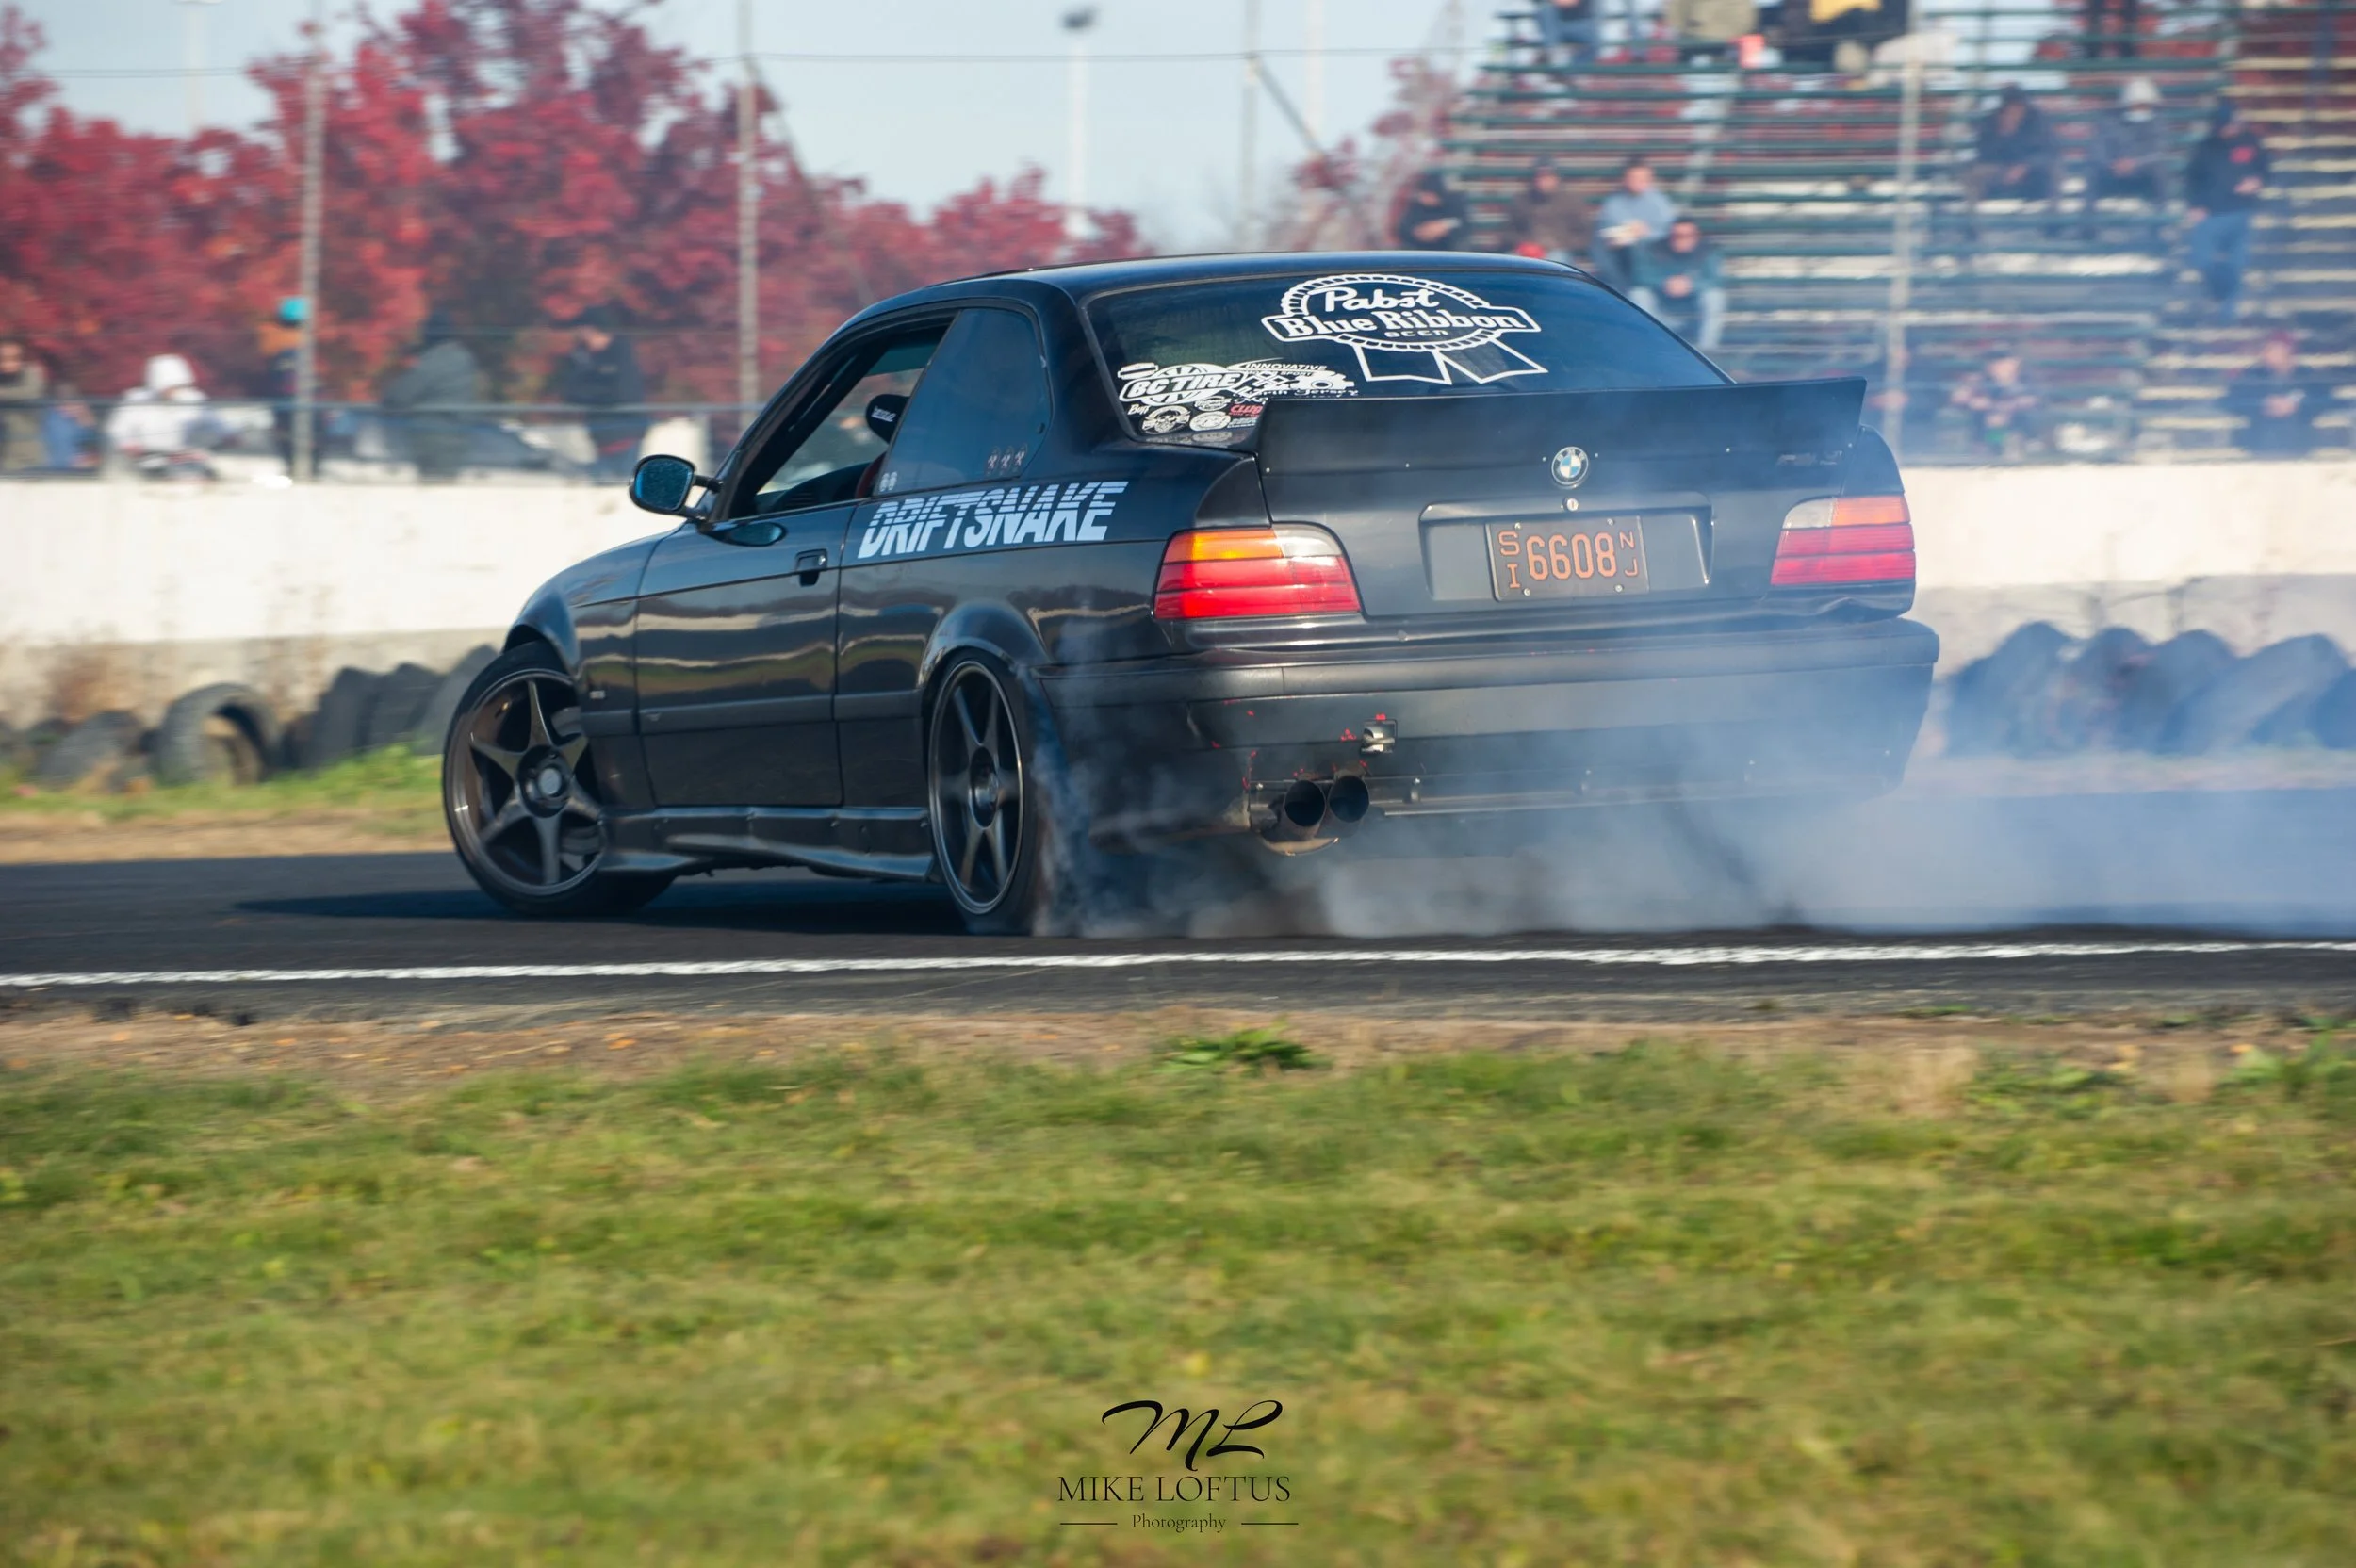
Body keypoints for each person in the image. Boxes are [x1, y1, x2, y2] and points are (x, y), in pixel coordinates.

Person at [2184, 101, 2270, 321]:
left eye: (2232, 124)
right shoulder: (2205, 147)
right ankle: (2218, 293)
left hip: (2241, 212)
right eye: (2225, 125)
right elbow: (2192, 179)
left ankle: (2228, 311)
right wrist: (2195, 205)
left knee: (2237, 263)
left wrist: (2257, 181)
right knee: (2201, 259)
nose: (2230, 129)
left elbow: (2264, 169)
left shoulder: (2251, 142)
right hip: (2210, 215)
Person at [382, 310, 483, 482]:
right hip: (459, 436)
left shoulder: (434, 360)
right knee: (445, 486)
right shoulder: (465, 359)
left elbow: (398, 397)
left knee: (434, 488)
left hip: (434, 438)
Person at [553, 307, 648, 480]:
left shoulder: (621, 355)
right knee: (602, 481)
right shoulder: (581, 357)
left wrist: (591, 393)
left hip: (624, 432)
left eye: (582, 329)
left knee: (622, 482)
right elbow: (570, 392)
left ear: (592, 330)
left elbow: (622, 393)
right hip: (600, 432)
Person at [1965, 85, 2059, 231]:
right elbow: (1984, 154)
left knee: (2055, 171)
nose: (2016, 111)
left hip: (2033, 172)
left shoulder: (2037, 119)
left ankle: (2054, 223)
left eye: (2019, 107)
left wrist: (2025, 166)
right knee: (1974, 174)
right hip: (2000, 170)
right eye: (2011, 107)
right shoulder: (1992, 121)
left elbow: (2049, 151)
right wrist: (2004, 133)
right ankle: (1972, 225)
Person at [105, 353, 216, 477]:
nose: (175, 391)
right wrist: (128, 445)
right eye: (170, 386)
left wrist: (225, 436)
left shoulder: (193, 399)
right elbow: (118, 429)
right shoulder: (136, 399)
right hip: (147, 459)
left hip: (186, 457)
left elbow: (214, 424)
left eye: (178, 386)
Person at [1629, 217, 1727, 351]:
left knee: (1714, 296)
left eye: (1688, 235)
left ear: (1696, 236)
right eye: (1677, 236)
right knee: (1638, 294)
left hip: (1693, 306)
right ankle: (1649, 346)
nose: (1682, 240)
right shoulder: (1654, 248)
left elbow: (1715, 280)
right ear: (1669, 236)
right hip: (1660, 307)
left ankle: (1707, 349)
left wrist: (1691, 285)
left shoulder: (1708, 251)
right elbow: (1640, 276)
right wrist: (1665, 283)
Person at [2225, 332, 2317, 458]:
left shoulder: (2307, 374)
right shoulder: (2251, 374)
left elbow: (2325, 400)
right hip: (2258, 441)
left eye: (2277, 351)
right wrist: (2263, 404)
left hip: (2300, 440)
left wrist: (2297, 406)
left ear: (2289, 352)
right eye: (2268, 350)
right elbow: (2231, 401)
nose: (2270, 355)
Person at [1595, 156, 1678, 292]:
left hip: (1655, 259)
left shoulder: (1660, 202)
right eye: (1635, 178)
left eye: (1644, 178)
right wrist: (1630, 233)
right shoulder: (1613, 204)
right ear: (1625, 179)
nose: (1640, 182)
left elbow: (1669, 231)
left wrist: (1646, 233)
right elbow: (1608, 235)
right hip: (1622, 259)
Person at [1946, 347, 2043, 459]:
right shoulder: (1979, 380)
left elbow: (2036, 399)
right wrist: (1972, 401)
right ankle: (1993, 449)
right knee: (1993, 420)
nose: (1998, 365)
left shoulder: (2027, 379)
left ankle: (2027, 445)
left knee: (2010, 418)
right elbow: (1958, 397)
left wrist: (2012, 405)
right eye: (1994, 362)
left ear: (2015, 362)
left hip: (2019, 417)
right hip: (1987, 419)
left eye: (2003, 361)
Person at [1503, 163, 1594, 264]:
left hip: (1558, 250)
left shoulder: (1571, 201)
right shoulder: (1521, 201)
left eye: (1548, 177)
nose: (1543, 182)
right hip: (1527, 249)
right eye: (1540, 177)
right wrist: (1525, 244)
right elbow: (1508, 232)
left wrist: (1560, 244)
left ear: (1556, 179)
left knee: (1555, 261)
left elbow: (1584, 234)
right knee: (1509, 262)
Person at [1394, 170, 1471, 251]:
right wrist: (1418, 232)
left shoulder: (1454, 203)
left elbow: (1463, 223)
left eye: (1430, 195)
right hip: (1420, 248)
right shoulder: (1417, 206)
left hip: (1448, 248)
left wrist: (1445, 226)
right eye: (1424, 195)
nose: (1426, 198)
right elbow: (1403, 227)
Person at [0, 337, 46, 473]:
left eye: (14, 358)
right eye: (3, 358)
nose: (8, 363)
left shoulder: (32, 372)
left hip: (25, 450)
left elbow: (31, 392)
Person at [1534, 0, 1599, 68]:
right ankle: (1552, 52)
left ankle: (1554, 55)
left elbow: (1569, 3)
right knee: (1546, 10)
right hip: (1558, 27)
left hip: (1582, 25)